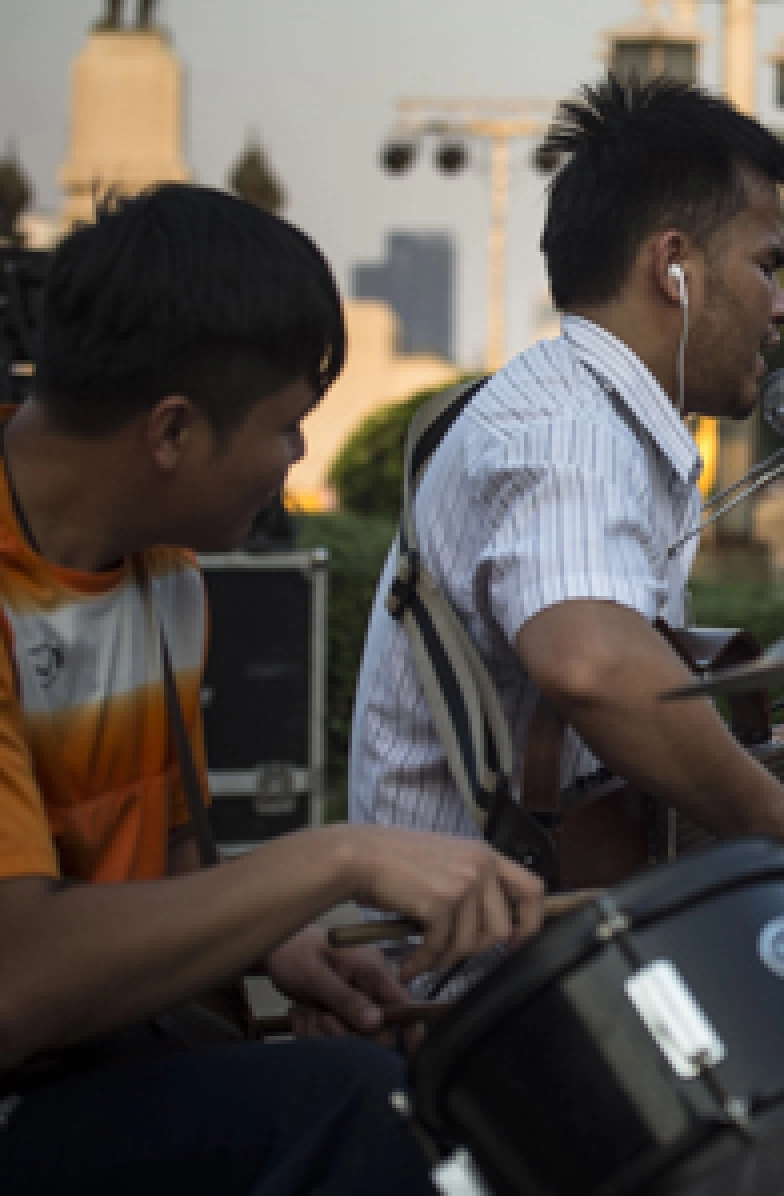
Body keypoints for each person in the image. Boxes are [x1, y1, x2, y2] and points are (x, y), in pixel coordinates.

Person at [0, 185, 544, 1195]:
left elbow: (170, 879)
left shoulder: (164, 572)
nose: (295, 462)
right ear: (171, 430)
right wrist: (340, 857)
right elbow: (18, 981)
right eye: (288, 426)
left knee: (417, 1093)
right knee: (352, 1105)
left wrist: (280, 945)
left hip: (92, 1065)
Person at [349, 78, 784, 879]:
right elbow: (593, 665)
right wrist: (771, 827)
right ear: (673, 267)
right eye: (766, 266)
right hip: (486, 949)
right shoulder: (570, 431)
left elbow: (609, 786)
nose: (781, 307)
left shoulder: (581, 411)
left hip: (545, 918)